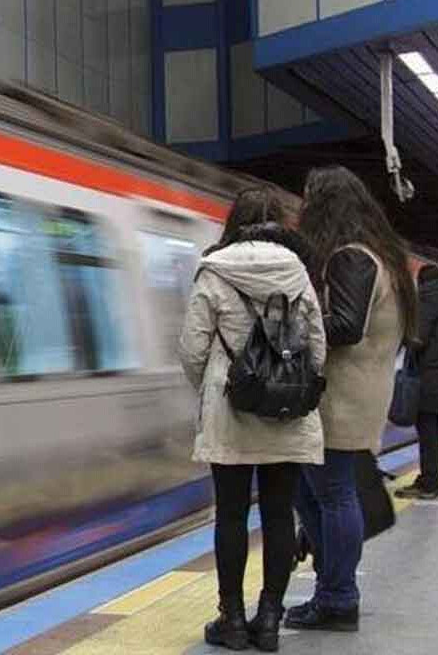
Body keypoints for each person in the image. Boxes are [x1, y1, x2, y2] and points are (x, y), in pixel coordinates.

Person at [179, 188, 327, 652]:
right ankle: (269, 620)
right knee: (280, 514)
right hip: (285, 414)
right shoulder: (298, 273)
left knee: (232, 515)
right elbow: (319, 350)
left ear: (234, 222)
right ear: (279, 224)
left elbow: (192, 350)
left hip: (230, 412)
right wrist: (288, 381)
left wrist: (218, 384)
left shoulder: (214, 271)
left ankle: (233, 621)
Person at [287, 166, 418, 632]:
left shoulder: (352, 257)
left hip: (341, 397)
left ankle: (339, 597)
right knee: (313, 491)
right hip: (360, 393)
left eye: (309, 201)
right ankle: (332, 588)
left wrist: (296, 326)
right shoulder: (383, 257)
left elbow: (344, 326)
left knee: (333, 494)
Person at [396, 265, 438, 499]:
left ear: (422, 282)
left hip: (429, 378)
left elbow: (417, 340)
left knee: (427, 433)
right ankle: (433, 480)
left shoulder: (428, 303)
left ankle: (428, 484)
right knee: (435, 431)